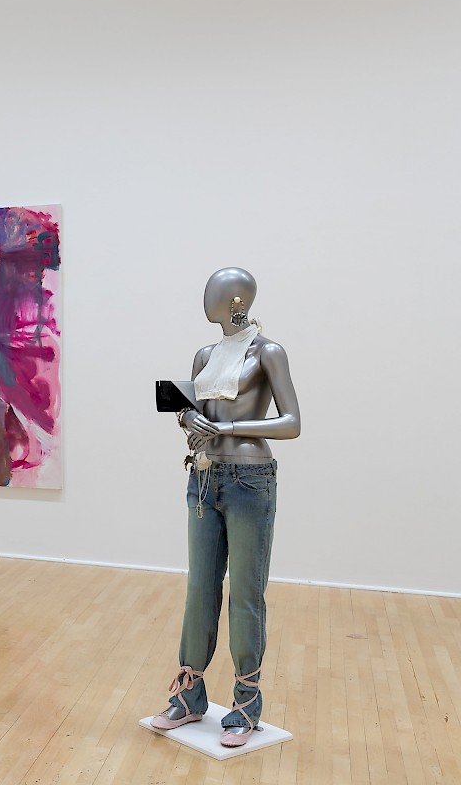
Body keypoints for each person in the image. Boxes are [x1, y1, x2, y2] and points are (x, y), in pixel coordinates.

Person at [150, 267, 300, 748]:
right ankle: (189, 693)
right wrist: (187, 416)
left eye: (213, 291)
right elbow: (190, 408)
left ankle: (246, 702)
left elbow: (292, 422)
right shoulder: (205, 355)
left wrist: (231, 429)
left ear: (237, 300)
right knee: (200, 588)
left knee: (246, 594)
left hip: (250, 479)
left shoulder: (268, 352)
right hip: (203, 476)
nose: (205, 298)